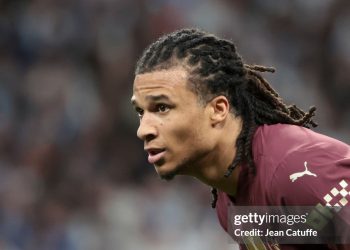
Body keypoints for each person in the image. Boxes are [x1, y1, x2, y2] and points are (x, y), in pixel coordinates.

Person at [130, 28, 350, 249]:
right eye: (141, 112)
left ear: (217, 110)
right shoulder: (229, 204)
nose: (143, 129)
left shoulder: (296, 170)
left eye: (162, 108)